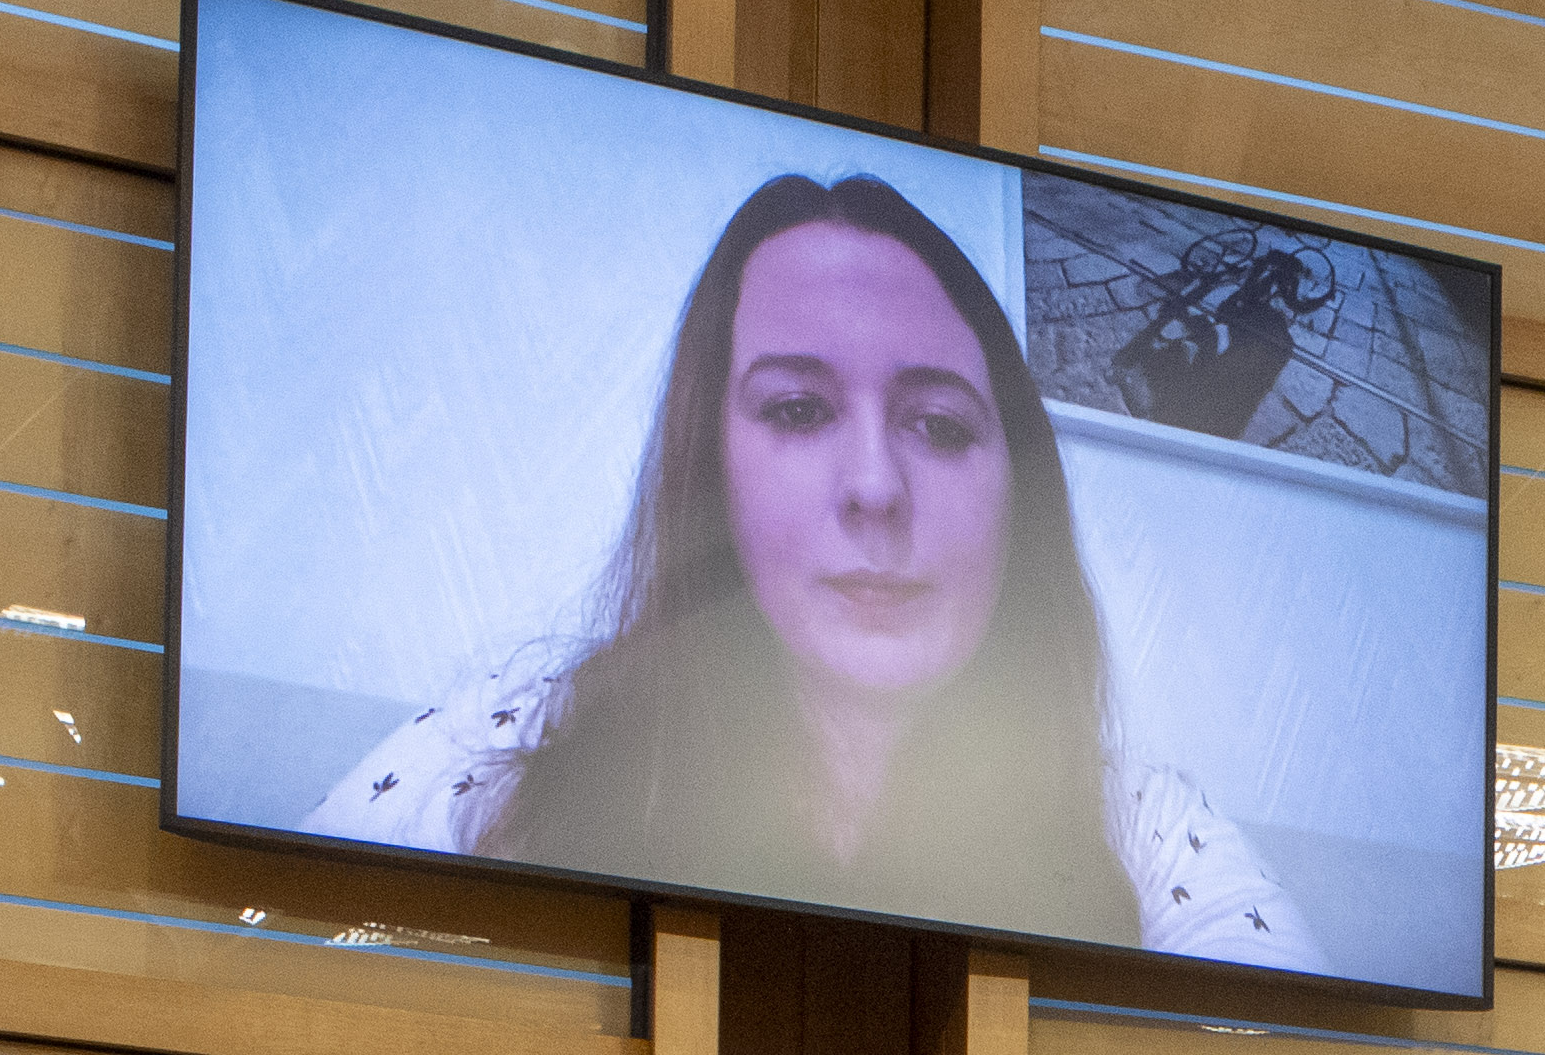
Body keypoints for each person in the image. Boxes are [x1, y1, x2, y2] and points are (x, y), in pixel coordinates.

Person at [315, 173, 1310, 970]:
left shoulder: (1146, 828)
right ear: (712, 468)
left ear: (1021, 494)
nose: (875, 486)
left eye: (940, 424)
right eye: (797, 410)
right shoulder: (514, 737)